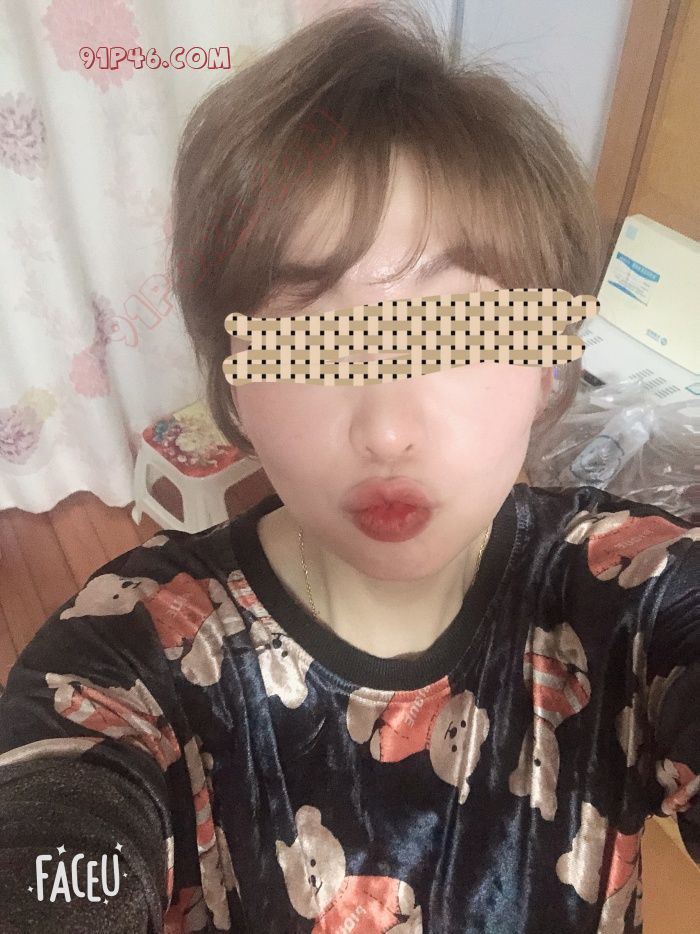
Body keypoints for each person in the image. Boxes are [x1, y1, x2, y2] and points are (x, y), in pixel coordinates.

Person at [0, 3, 698, 932]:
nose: (389, 429)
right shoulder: (132, 653)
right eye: (308, 341)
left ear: (546, 366)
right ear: (235, 385)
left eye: (457, 333)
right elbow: (52, 864)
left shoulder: (628, 591)